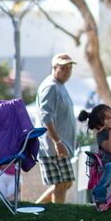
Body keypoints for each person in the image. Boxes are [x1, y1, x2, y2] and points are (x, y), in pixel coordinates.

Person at [37, 54, 78, 204]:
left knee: (66, 183)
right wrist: (57, 142)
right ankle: (58, 217)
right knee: (62, 183)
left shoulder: (60, 85)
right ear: (54, 68)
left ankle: (35, 208)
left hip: (61, 144)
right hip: (53, 145)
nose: (67, 71)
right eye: (63, 68)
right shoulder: (51, 87)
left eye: (70, 68)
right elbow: (46, 118)